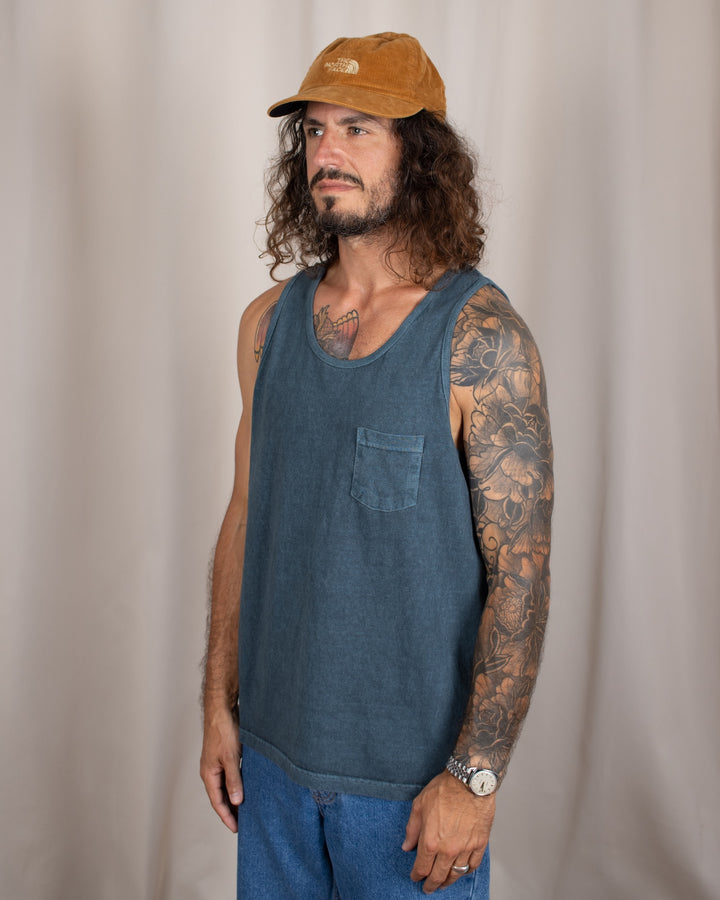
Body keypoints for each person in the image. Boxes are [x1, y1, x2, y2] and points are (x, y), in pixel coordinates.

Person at [200, 32, 553, 899]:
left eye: (358, 128)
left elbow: (522, 577)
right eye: (315, 130)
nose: (328, 153)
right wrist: (217, 704)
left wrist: (474, 779)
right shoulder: (265, 325)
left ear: (419, 152)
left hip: (411, 791)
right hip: (272, 771)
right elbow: (244, 516)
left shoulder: (480, 339)